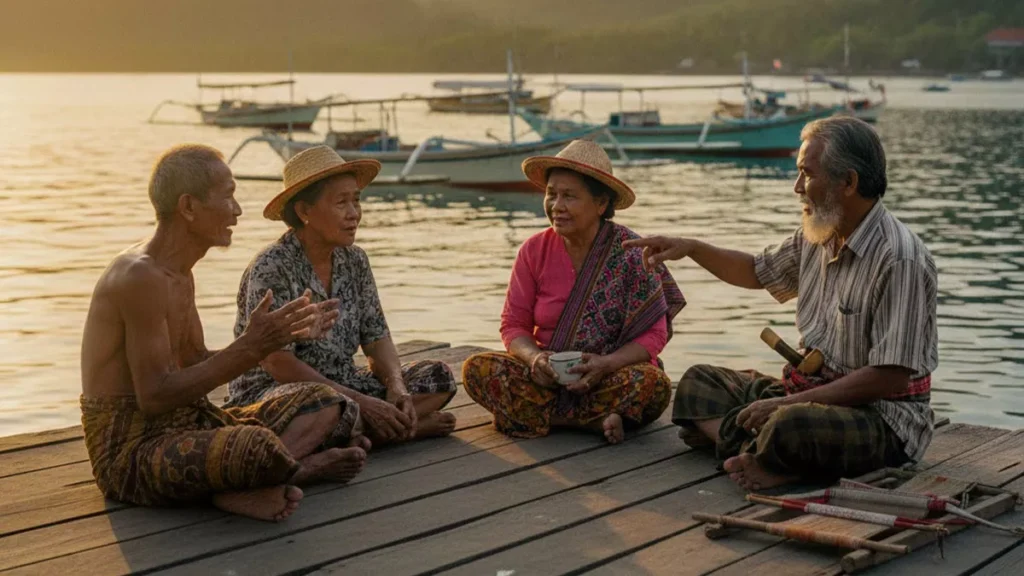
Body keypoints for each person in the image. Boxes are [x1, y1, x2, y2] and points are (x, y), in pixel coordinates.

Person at [625, 117, 938, 491]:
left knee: (790, 425)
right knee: (698, 383)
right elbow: (756, 271)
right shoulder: (821, 232)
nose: (796, 188)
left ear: (849, 182)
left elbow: (889, 376)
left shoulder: (899, 258)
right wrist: (691, 248)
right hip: (812, 394)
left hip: (882, 419)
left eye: (806, 174)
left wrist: (786, 406)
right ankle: (762, 452)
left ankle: (765, 453)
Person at [80, 145, 368, 522]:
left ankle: (256, 478)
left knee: (325, 402)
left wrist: (278, 337)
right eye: (228, 196)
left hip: (189, 423)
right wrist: (251, 347)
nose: (237, 210)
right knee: (255, 446)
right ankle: (295, 470)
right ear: (188, 207)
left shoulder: (179, 273)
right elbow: (153, 396)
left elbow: (195, 361)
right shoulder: (140, 277)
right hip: (131, 451)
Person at [227, 146, 458, 447]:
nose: (354, 214)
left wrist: (396, 387)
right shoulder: (272, 267)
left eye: (356, 201)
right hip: (282, 394)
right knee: (322, 407)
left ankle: (367, 429)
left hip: (345, 385)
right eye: (341, 203)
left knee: (438, 377)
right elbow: (277, 363)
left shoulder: (355, 260)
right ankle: (392, 428)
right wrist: (361, 402)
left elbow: (376, 338)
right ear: (304, 211)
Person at [462, 140, 686, 444]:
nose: (557, 206)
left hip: (608, 375)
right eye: (551, 194)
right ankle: (591, 422)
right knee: (477, 369)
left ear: (601, 204)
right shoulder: (533, 250)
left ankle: (541, 417)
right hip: (547, 379)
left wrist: (606, 364)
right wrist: (535, 359)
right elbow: (514, 325)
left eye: (569, 196)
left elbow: (654, 336)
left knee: (653, 383)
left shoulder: (632, 253)